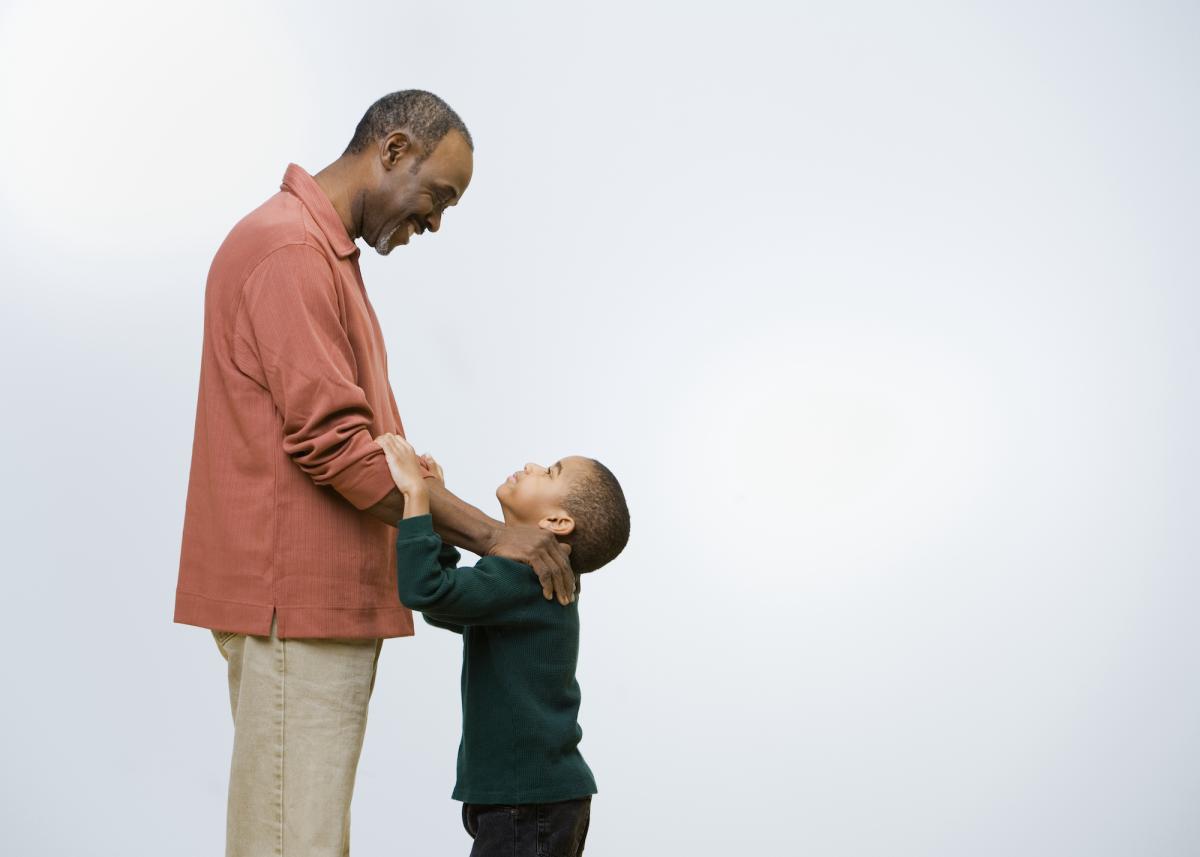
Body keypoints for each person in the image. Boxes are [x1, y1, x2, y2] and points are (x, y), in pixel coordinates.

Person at [174, 90, 575, 857]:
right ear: (393, 150)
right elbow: (336, 444)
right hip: (298, 605)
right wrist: (495, 535)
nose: (435, 222)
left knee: (298, 836)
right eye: (439, 196)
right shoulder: (291, 250)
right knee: (294, 843)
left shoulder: (315, 251)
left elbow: (352, 440)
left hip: (316, 605)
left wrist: (424, 490)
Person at [374, 433, 631, 857]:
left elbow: (427, 592)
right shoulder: (527, 578)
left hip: (527, 801)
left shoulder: (527, 578)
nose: (532, 465)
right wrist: (435, 507)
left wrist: (418, 496)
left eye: (550, 472)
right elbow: (445, 607)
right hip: (533, 798)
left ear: (557, 522)